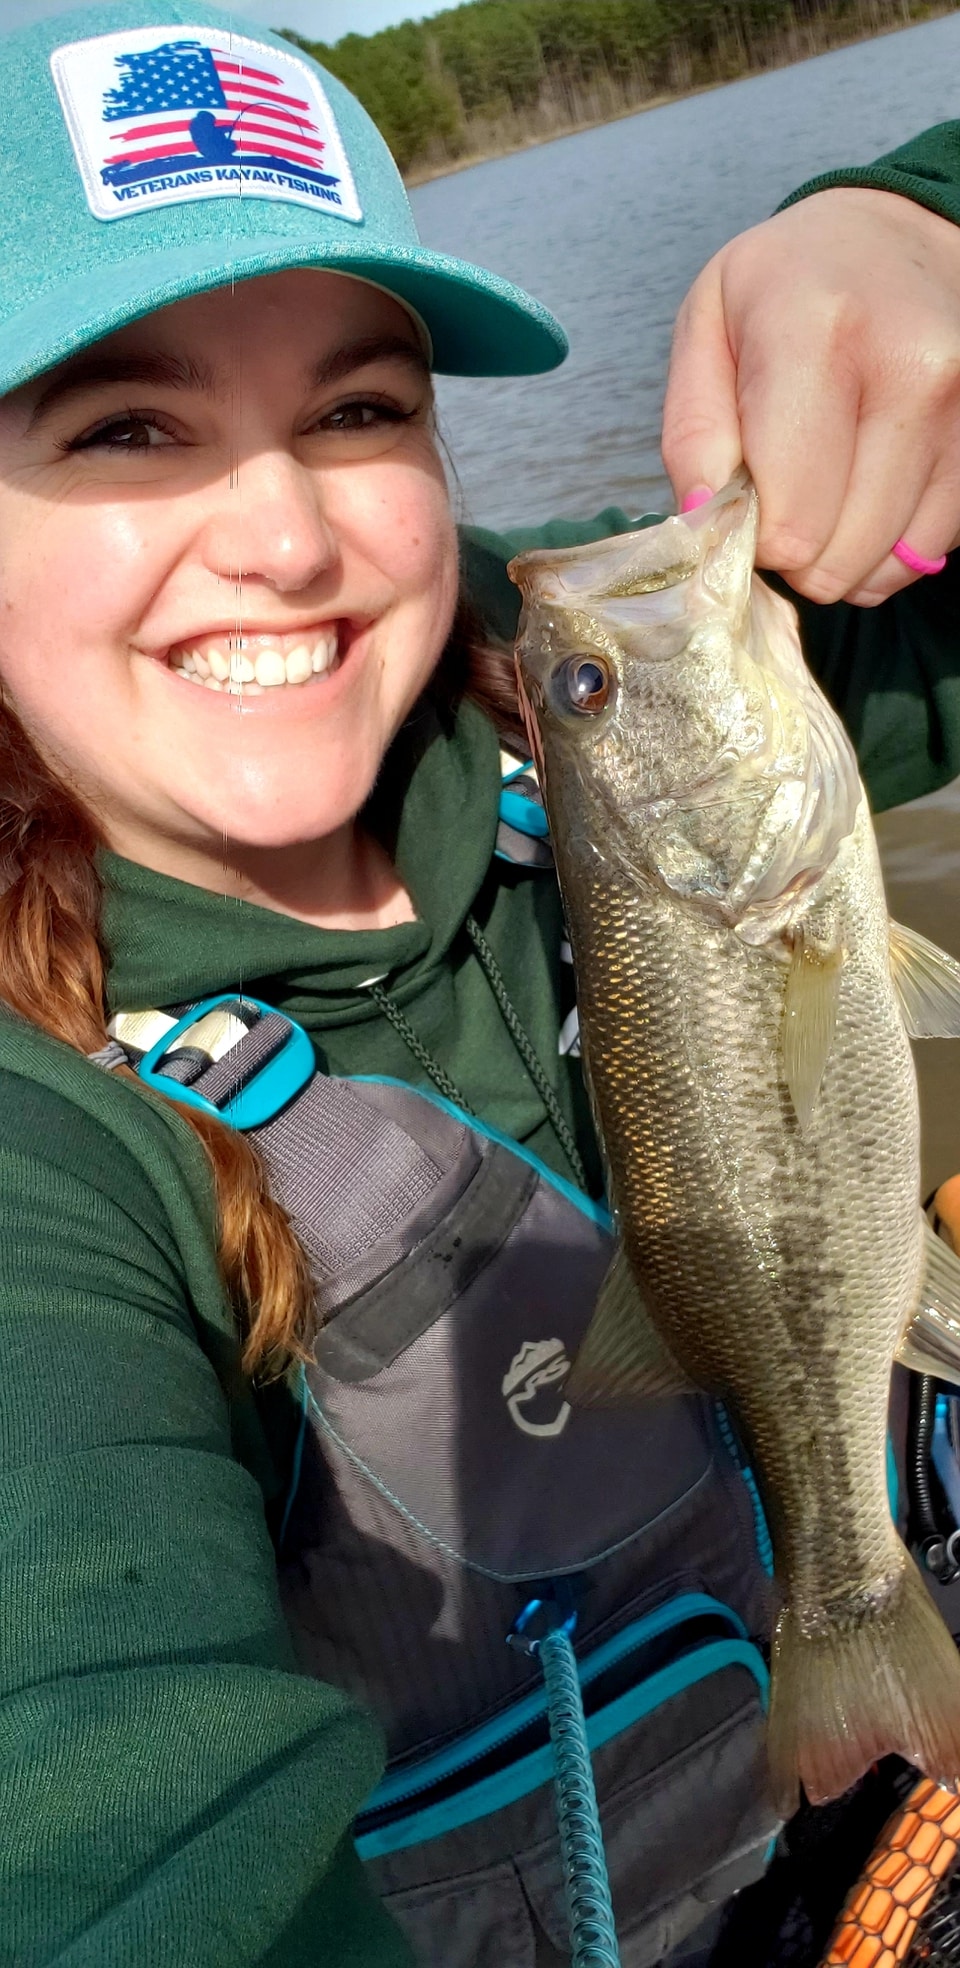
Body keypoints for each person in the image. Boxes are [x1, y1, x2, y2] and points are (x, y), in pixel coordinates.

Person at [3, 3, 960, 1964]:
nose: (283, 539)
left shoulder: (602, 706)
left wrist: (915, 220)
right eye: (124, 427)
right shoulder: (48, 1159)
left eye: (359, 408)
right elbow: (104, 1841)